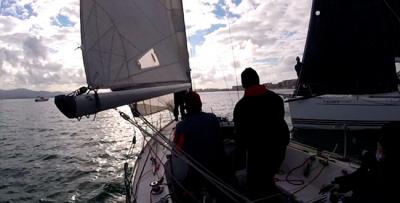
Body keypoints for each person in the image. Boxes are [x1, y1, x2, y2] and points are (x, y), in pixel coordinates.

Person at [233, 67, 290, 202]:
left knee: (256, 186)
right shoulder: (276, 99)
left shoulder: (241, 106)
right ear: (258, 81)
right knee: (267, 179)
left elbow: (241, 140)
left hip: (258, 156)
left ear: (243, 85)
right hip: (279, 152)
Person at [173, 91, 235, 202]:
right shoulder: (212, 118)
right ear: (200, 104)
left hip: (199, 173)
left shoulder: (181, 127)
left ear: (185, 107)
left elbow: (177, 151)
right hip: (222, 169)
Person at [320, 122, 399, 203]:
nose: (377, 146)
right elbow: (361, 175)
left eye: (381, 144)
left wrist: (343, 199)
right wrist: (338, 184)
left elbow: (377, 197)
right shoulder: (376, 162)